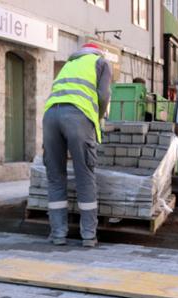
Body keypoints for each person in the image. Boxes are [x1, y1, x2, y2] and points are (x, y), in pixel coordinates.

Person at [43, 43, 112, 247]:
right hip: (77, 117)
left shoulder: (68, 64)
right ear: (97, 52)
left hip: (50, 117)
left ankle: (58, 234)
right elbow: (104, 95)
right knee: (84, 175)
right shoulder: (100, 62)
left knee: (55, 177)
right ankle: (88, 236)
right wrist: (97, 118)